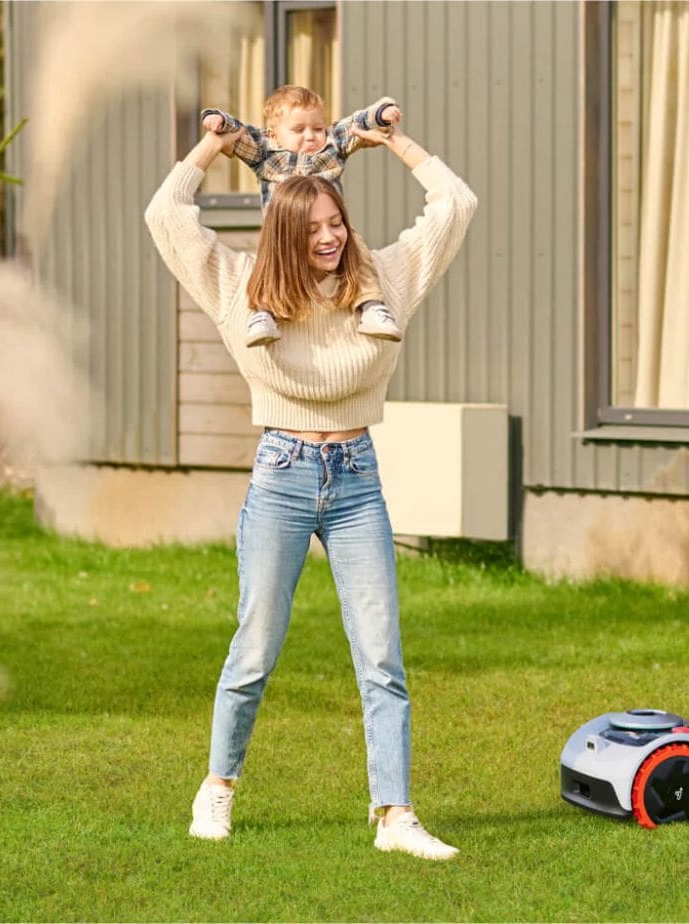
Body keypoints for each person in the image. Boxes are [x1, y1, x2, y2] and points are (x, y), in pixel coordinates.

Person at [143, 107, 476, 860]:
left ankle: (394, 814)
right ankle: (217, 787)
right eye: (314, 228)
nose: (330, 237)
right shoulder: (240, 288)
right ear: (283, 233)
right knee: (256, 648)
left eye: (337, 223)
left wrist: (395, 141)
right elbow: (166, 215)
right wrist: (212, 146)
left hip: (357, 479)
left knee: (382, 656)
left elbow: (456, 205)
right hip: (283, 476)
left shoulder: (383, 279)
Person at [200, 85, 404, 347]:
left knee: (357, 252)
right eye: (298, 130)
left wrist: (382, 114)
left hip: (327, 229)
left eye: (317, 128)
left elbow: (357, 122)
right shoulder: (265, 152)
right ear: (273, 134)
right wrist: (217, 119)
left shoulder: (332, 146)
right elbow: (238, 133)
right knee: (269, 262)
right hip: (285, 232)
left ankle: (371, 306)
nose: (311, 137)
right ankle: (264, 312)